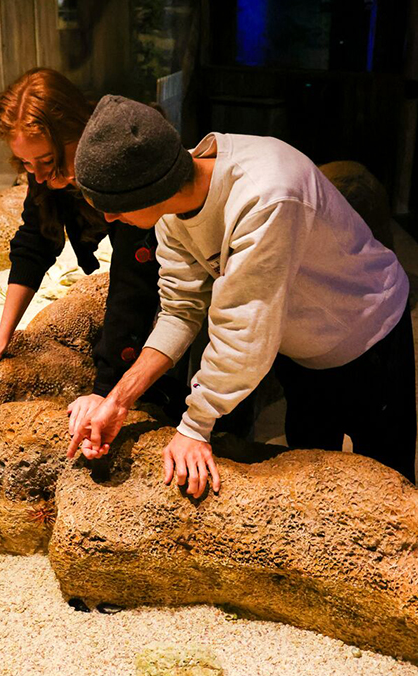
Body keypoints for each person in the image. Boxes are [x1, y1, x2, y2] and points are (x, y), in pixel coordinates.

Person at [67, 94, 416, 493]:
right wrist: (117, 400)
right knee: (310, 476)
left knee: (391, 480)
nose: (110, 219)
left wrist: (195, 426)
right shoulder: (172, 201)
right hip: (298, 343)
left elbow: (243, 332)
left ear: (147, 190)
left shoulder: (266, 196)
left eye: (114, 207)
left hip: (368, 330)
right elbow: (180, 310)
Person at [0, 68, 185, 424]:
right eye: (26, 163)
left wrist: (105, 390)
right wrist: (0, 339)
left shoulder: (120, 161)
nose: (38, 175)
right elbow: (34, 242)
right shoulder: (54, 171)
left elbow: (134, 279)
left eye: (47, 160)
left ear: (77, 132)